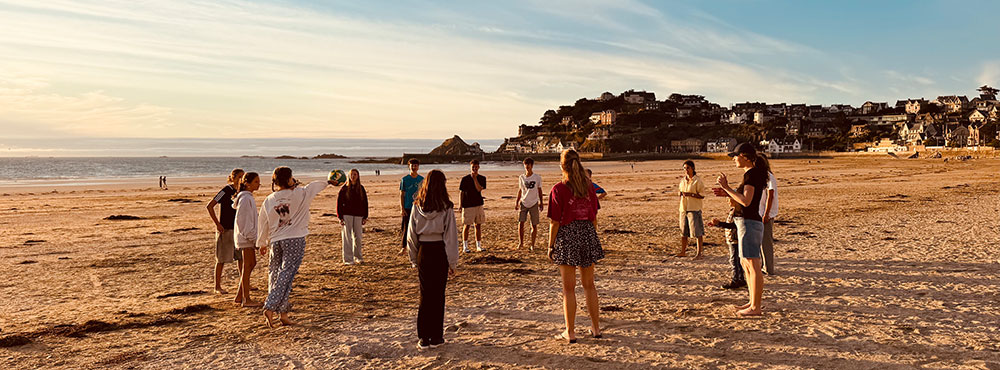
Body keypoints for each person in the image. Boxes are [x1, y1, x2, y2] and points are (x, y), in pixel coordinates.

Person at [257, 167, 342, 327]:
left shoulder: (269, 199)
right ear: (289, 179)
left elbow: (262, 222)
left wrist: (261, 243)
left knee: (275, 274)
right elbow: (314, 186)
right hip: (294, 238)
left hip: (275, 240)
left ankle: (283, 313)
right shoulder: (300, 193)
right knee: (286, 275)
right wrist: (329, 182)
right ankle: (270, 306)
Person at [547, 149, 604, 343]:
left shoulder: (558, 189)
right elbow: (594, 216)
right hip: (587, 232)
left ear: (562, 166)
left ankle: (570, 332)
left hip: (567, 235)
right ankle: (596, 328)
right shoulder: (588, 186)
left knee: (568, 289)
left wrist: (550, 246)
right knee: (589, 285)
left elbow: (555, 222)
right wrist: (591, 235)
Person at [406, 169, 459, 350]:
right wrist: (452, 262)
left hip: (424, 250)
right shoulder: (446, 206)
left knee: (425, 294)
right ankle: (436, 336)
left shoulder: (417, 205)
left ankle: (423, 337)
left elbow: (411, 235)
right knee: (438, 295)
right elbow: (451, 236)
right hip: (439, 250)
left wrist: (413, 258)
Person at [714, 143, 767, 316]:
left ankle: (755, 307)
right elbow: (745, 198)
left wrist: (726, 187)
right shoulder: (752, 174)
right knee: (746, 263)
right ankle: (752, 302)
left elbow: (746, 201)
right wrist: (728, 193)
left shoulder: (751, 174)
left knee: (752, 265)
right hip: (746, 222)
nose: (734, 159)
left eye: (735, 156)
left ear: (744, 156)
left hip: (749, 223)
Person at [207, 168, 244, 294]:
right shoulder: (225, 190)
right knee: (221, 259)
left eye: (243, 177)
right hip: (225, 229)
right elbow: (210, 206)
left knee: (241, 258)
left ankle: (244, 284)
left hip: (238, 229)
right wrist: (217, 224)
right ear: (233, 178)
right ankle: (217, 286)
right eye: (239, 177)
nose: (241, 180)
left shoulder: (242, 192)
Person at [233, 172, 262, 307]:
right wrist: (253, 238)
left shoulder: (248, 197)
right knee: (247, 265)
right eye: (256, 181)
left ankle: (240, 296)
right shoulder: (245, 199)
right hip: (246, 237)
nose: (259, 184)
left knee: (252, 263)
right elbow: (243, 221)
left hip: (248, 236)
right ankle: (246, 299)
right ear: (247, 183)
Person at [707, 198, 746, 290]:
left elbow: (734, 226)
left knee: (734, 260)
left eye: (729, 200)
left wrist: (720, 224)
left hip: (735, 239)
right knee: (737, 260)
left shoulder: (738, 211)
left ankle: (735, 280)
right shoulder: (734, 210)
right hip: (732, 239)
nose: (728, 202)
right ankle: (741, 279)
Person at [338, 169, 369, 265]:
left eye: (355, 174)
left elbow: (365, 202)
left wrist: (365, 216)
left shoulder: (361, 188)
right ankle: (348, 259)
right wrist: (340, 217)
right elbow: (339, 203)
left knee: (358, 237)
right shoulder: (344, 188)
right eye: (351, 174)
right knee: (347, 237)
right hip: (347, 215)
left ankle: (358, 257)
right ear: (348, 176)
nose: (353, 176)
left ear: (358, 176)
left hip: (359, 215)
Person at [677, 160, 706, 259]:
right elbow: (680, 191)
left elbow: (702, 195)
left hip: (694, 208)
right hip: (683, 208)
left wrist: (691, 194)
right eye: (684, 168)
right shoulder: (683, 180)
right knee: (683, 231)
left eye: (688, 168)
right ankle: (683, 251)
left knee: (697, 231)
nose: (686, 170)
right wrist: (680, 194)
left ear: (692, 168)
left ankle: (699, 253)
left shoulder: (697, 181)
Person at [756, 154, 779, 275]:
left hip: (766, 214)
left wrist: (766, 213)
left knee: (766, 242)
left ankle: (769, 268)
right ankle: (762, 266)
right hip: (759, 213)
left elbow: (771, 196)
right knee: (759, 242)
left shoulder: (769, 176)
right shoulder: (759, 176)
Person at [515, 157, 544, 250]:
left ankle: (532, 244)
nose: (527, 166)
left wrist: (541, 202)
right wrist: (517, 202)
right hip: (523, 202)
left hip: (534, 203)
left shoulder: (537, 177)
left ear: (532, 165)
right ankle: (521, 243)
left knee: (534, 224)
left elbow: (539, 190)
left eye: (528, 164)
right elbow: (520, 190)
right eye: (525, 165)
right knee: (521, 223)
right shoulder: (521, 177)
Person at [459, 159, 487, 252]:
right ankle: (465, 246)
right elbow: (461, 192)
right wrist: (460, 205)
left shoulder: (482, 178)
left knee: (478, 225)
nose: (475, 168)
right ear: (470, 167)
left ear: (478, 167)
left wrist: (475, 179)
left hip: (478, 204)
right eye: (473, 167)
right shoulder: (465, 179)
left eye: (476, 167)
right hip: (468, 205)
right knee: (466, 226)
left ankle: (478, 246)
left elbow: (479, 189)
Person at [400, 159, 424, 253]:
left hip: (418, 207)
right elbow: (402, 194)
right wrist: (402, 208)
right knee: (406, 227)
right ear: (409, 167)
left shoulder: (421, 179)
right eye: (412, 165)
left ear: (418, 167)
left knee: (418, 227)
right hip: (407, 207)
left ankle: (418, 246)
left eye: (416, 165)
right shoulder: (404, 179)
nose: (414, 167)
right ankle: (404, 247)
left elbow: (423, 194)